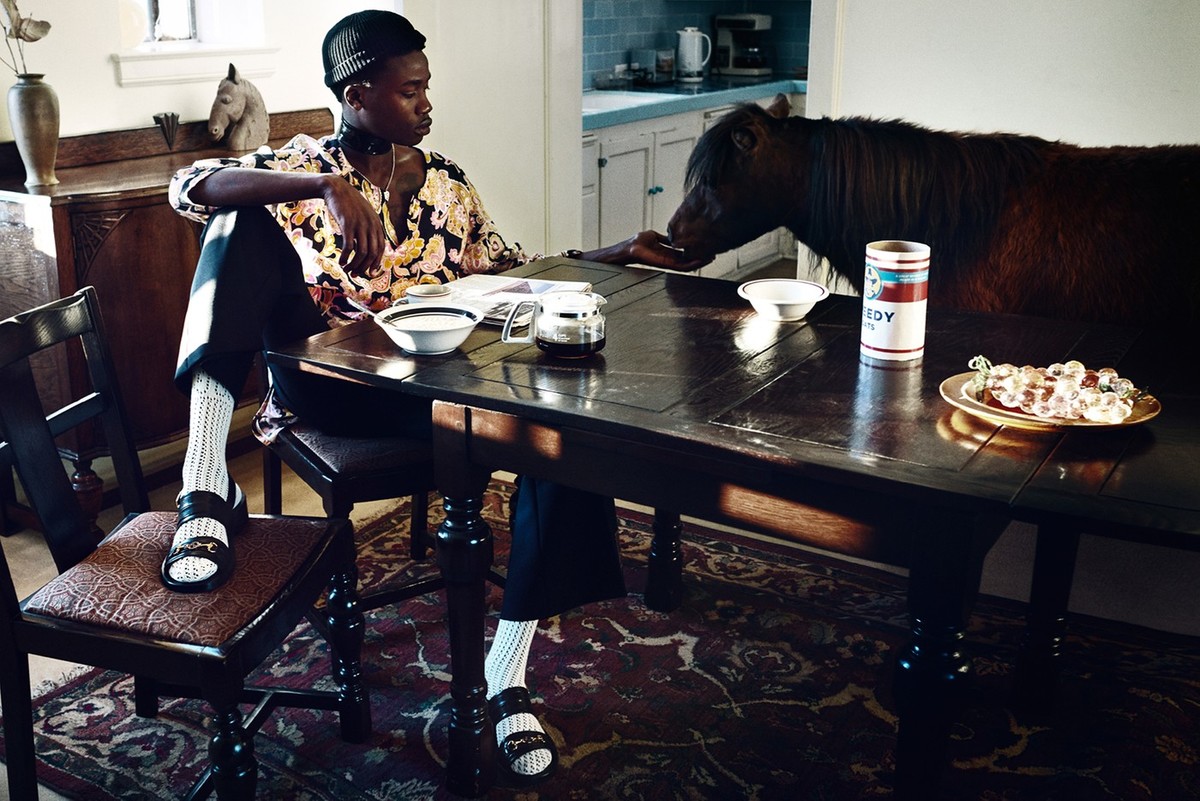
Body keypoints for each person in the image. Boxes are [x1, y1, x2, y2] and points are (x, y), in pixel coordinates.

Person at [164, 9, 705, 788]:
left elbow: (515, 270)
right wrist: (324, 187)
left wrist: (619, 252)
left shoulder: (447, 182)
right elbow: (190, 186)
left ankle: (505, 676)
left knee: (568, 431)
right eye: (410, 89)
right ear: (357, 94)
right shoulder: (300, 164)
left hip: (436, 389)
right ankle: (204, 484)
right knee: (235, 224)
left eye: (426, 87)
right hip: (331, 387)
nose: (426, 103)